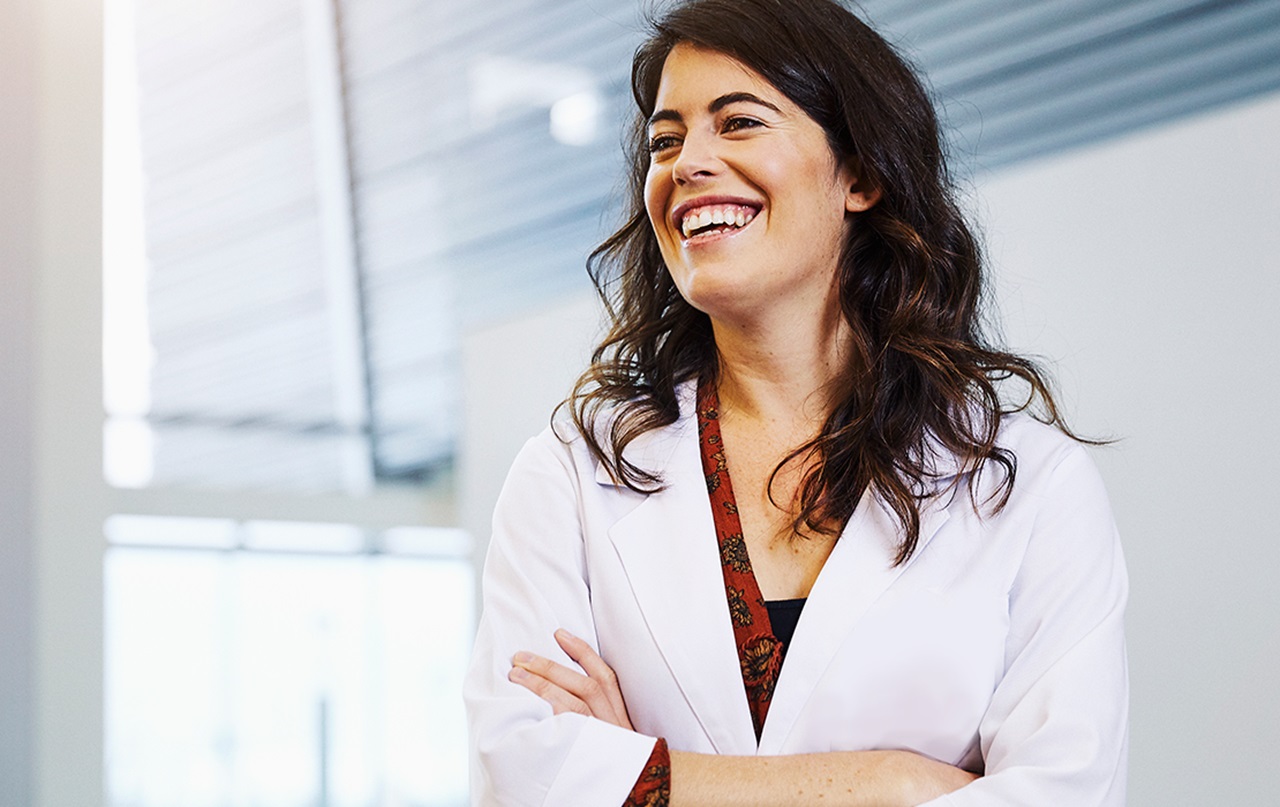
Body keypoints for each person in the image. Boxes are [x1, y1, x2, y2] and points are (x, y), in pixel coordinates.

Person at [464, 0, 1129, 804]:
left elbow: (1062, 794)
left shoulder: (1028, 483)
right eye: (664, 140)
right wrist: (892, 782)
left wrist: (644, 777)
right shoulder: (571, 473)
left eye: (737, 122)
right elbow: (524, 774)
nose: (687, 163)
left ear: (862, 175)